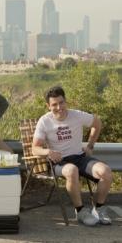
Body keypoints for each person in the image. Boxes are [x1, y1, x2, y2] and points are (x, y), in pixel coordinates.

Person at [32, 86, 112, 226]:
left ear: (66, 101)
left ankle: (99, 209)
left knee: (106, 171)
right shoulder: (44, 121)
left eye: (61, 102)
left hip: (80, 157)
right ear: (48, 106)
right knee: (71, 170)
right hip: (59, 162)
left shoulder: (77, 115)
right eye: (54, 104)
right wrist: (48, 152)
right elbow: (35, 149)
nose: (59, 107)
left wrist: (90, 145)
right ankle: (80, 211)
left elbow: (97, 123)